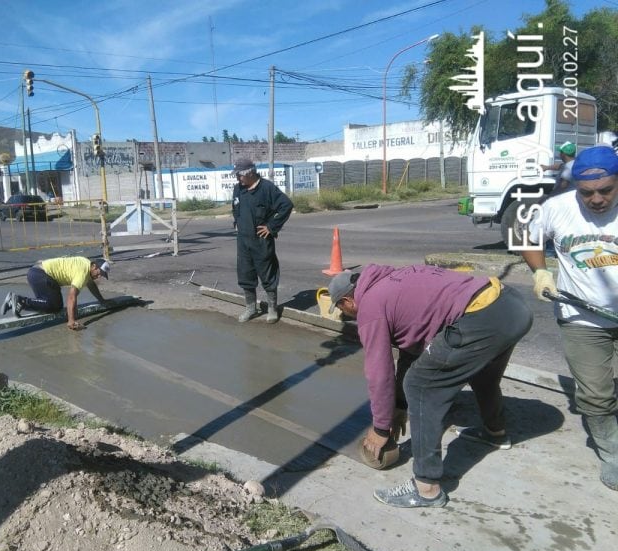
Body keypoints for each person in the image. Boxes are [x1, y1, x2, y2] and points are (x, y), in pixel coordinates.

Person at [327, 265, 532, 508]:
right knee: (481, 373)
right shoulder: (390, 281)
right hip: (510, 306)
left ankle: (426, 488)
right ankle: (494, 433)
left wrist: (381, 428)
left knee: (420, 385)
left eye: (340, 308)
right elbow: (411, 351)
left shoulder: (370, 308)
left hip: (482, 317)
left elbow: (379, 372)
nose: (346, 315)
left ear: (347, 301)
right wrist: (400, 406)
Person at [524, 145, 618, 491]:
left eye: (606, 190)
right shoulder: (556, 208)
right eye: (587, 193)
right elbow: (529, 239)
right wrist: (540, 272)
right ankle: (612, 454)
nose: (596, 200)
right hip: (580, 318)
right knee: (595, 394)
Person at [231, 158, 293, 323]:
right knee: (245, 274)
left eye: (240, 175)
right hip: (243, 241)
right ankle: (251, 308)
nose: (238, 178)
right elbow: (235, 207)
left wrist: (271, 227)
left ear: (250, 173)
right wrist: (237, 222)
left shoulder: (266, 188)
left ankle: (272, 308)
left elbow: (286, 205)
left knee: (267, 273)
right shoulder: (238, 188)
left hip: (261, 240)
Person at [1, 256, 111, 331]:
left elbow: (91, 285)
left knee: (46, 304)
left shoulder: (86, 264)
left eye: (102, 275)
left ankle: (17, 302)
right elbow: (72, 296)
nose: (99, 276)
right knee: (55, 306)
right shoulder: (83, 272)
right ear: (94, 266)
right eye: (99, 273)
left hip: (34, 273)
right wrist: (71, 321)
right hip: (41, 275)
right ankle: (20, 300)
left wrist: (102, 300)